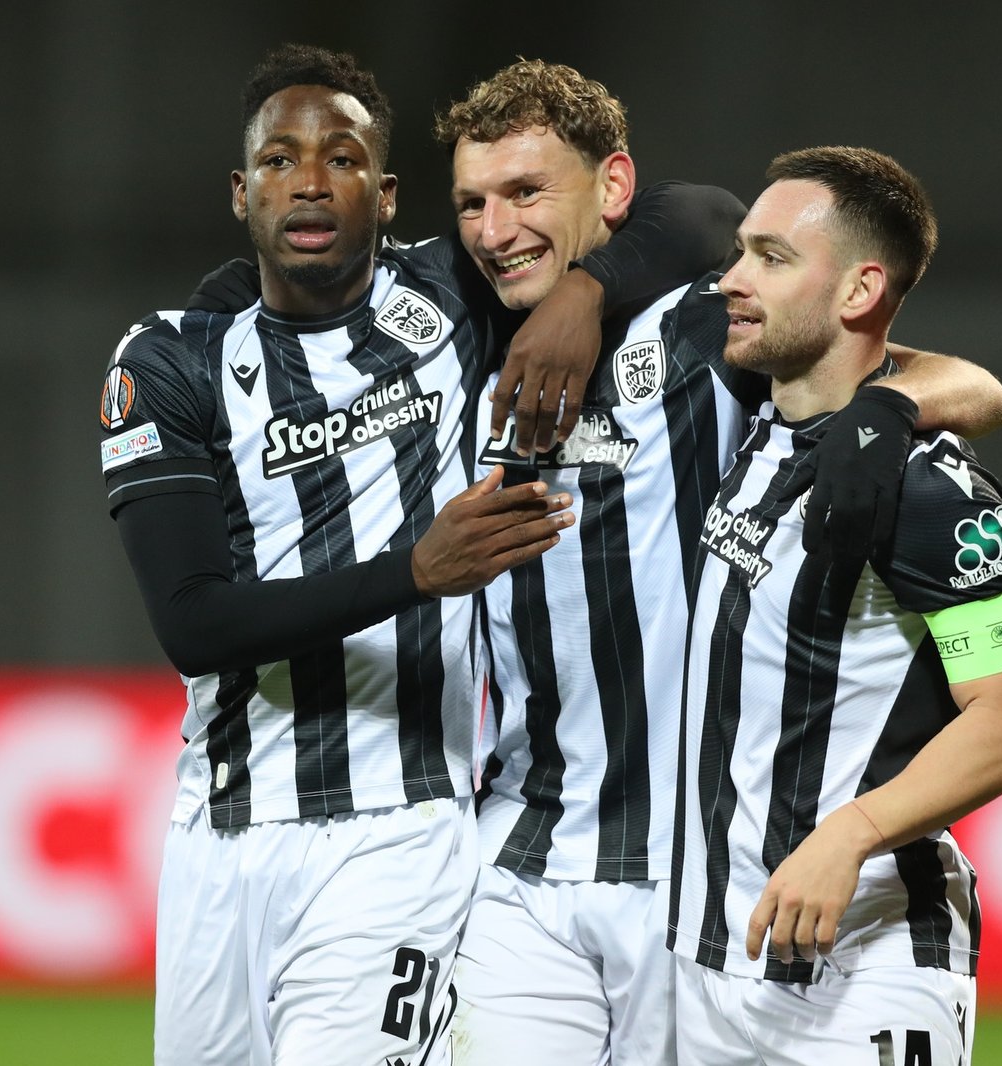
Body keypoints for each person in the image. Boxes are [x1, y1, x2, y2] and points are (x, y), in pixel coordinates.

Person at [104, 45, 738, 1065]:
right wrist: (416, 571)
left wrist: (583, 292)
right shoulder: (174, 355)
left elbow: (704, 214)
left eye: (342, 158)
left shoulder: (452, 299)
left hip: (402, 831)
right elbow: (192, 623)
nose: (310, 182)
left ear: (388, 196)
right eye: (278, 161)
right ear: (240, 191)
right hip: (218, 830)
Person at [431, 64, 1002, 1065]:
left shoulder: (711, 332)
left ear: (613, 189)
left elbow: (964, 381)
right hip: (523, 859)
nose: (494, 229)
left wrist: (887, 409)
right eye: (472, 204)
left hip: (696, 883)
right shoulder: (448, 336)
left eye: (526, 193)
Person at [667, 146, 1002, 1066]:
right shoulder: (752, 418)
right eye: (740, 251)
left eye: (771, 257)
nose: (732, 279)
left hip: (868, 962)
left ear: (859, 290)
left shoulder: (928, 485)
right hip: (714, 959)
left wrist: (853, 833)